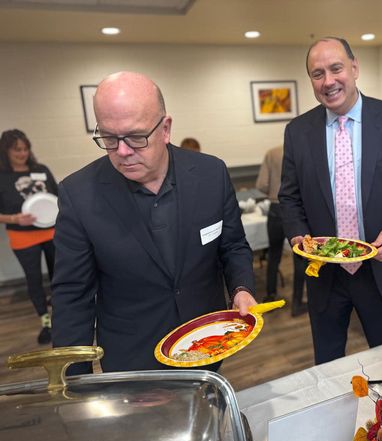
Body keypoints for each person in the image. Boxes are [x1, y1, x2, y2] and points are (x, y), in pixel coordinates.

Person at [51, 71, 257, 374]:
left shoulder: (211, 173)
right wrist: (75, 385)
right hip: (133, 358)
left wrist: (241, 287)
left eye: (136, 137)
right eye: (109, 138)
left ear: (165, 128)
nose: (122, 151)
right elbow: (72, 297)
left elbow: (233, 245)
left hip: (205, 342)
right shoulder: (78, 194)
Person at [279, 37, 382, 365]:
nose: (328, 81)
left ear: (355, 67)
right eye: (317, 74)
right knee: (327, 365)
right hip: (325, 274)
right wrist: (298, 236)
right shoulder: (297, 131)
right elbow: (289, 198)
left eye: (336, 69)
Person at [0, 129, 58, 345]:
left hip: (52, 232)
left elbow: (57, 197)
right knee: (34, 280)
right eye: (17, 150)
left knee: (60, 275)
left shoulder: (41, 169)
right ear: (6, 151)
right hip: (22, 237)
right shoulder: (2, 177)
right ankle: (46, 322)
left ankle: (61, 313)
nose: (22, 153)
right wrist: (15, 219)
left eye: (25, 149)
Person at [256, 145, 307, 316]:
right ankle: (297, 303)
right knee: (300, 256)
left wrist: (274, 191)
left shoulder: (272, 153)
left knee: (274, 253)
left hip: (275, 208)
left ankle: (270, 296)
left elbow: (261, 184)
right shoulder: (302, 151)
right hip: (298, 209)